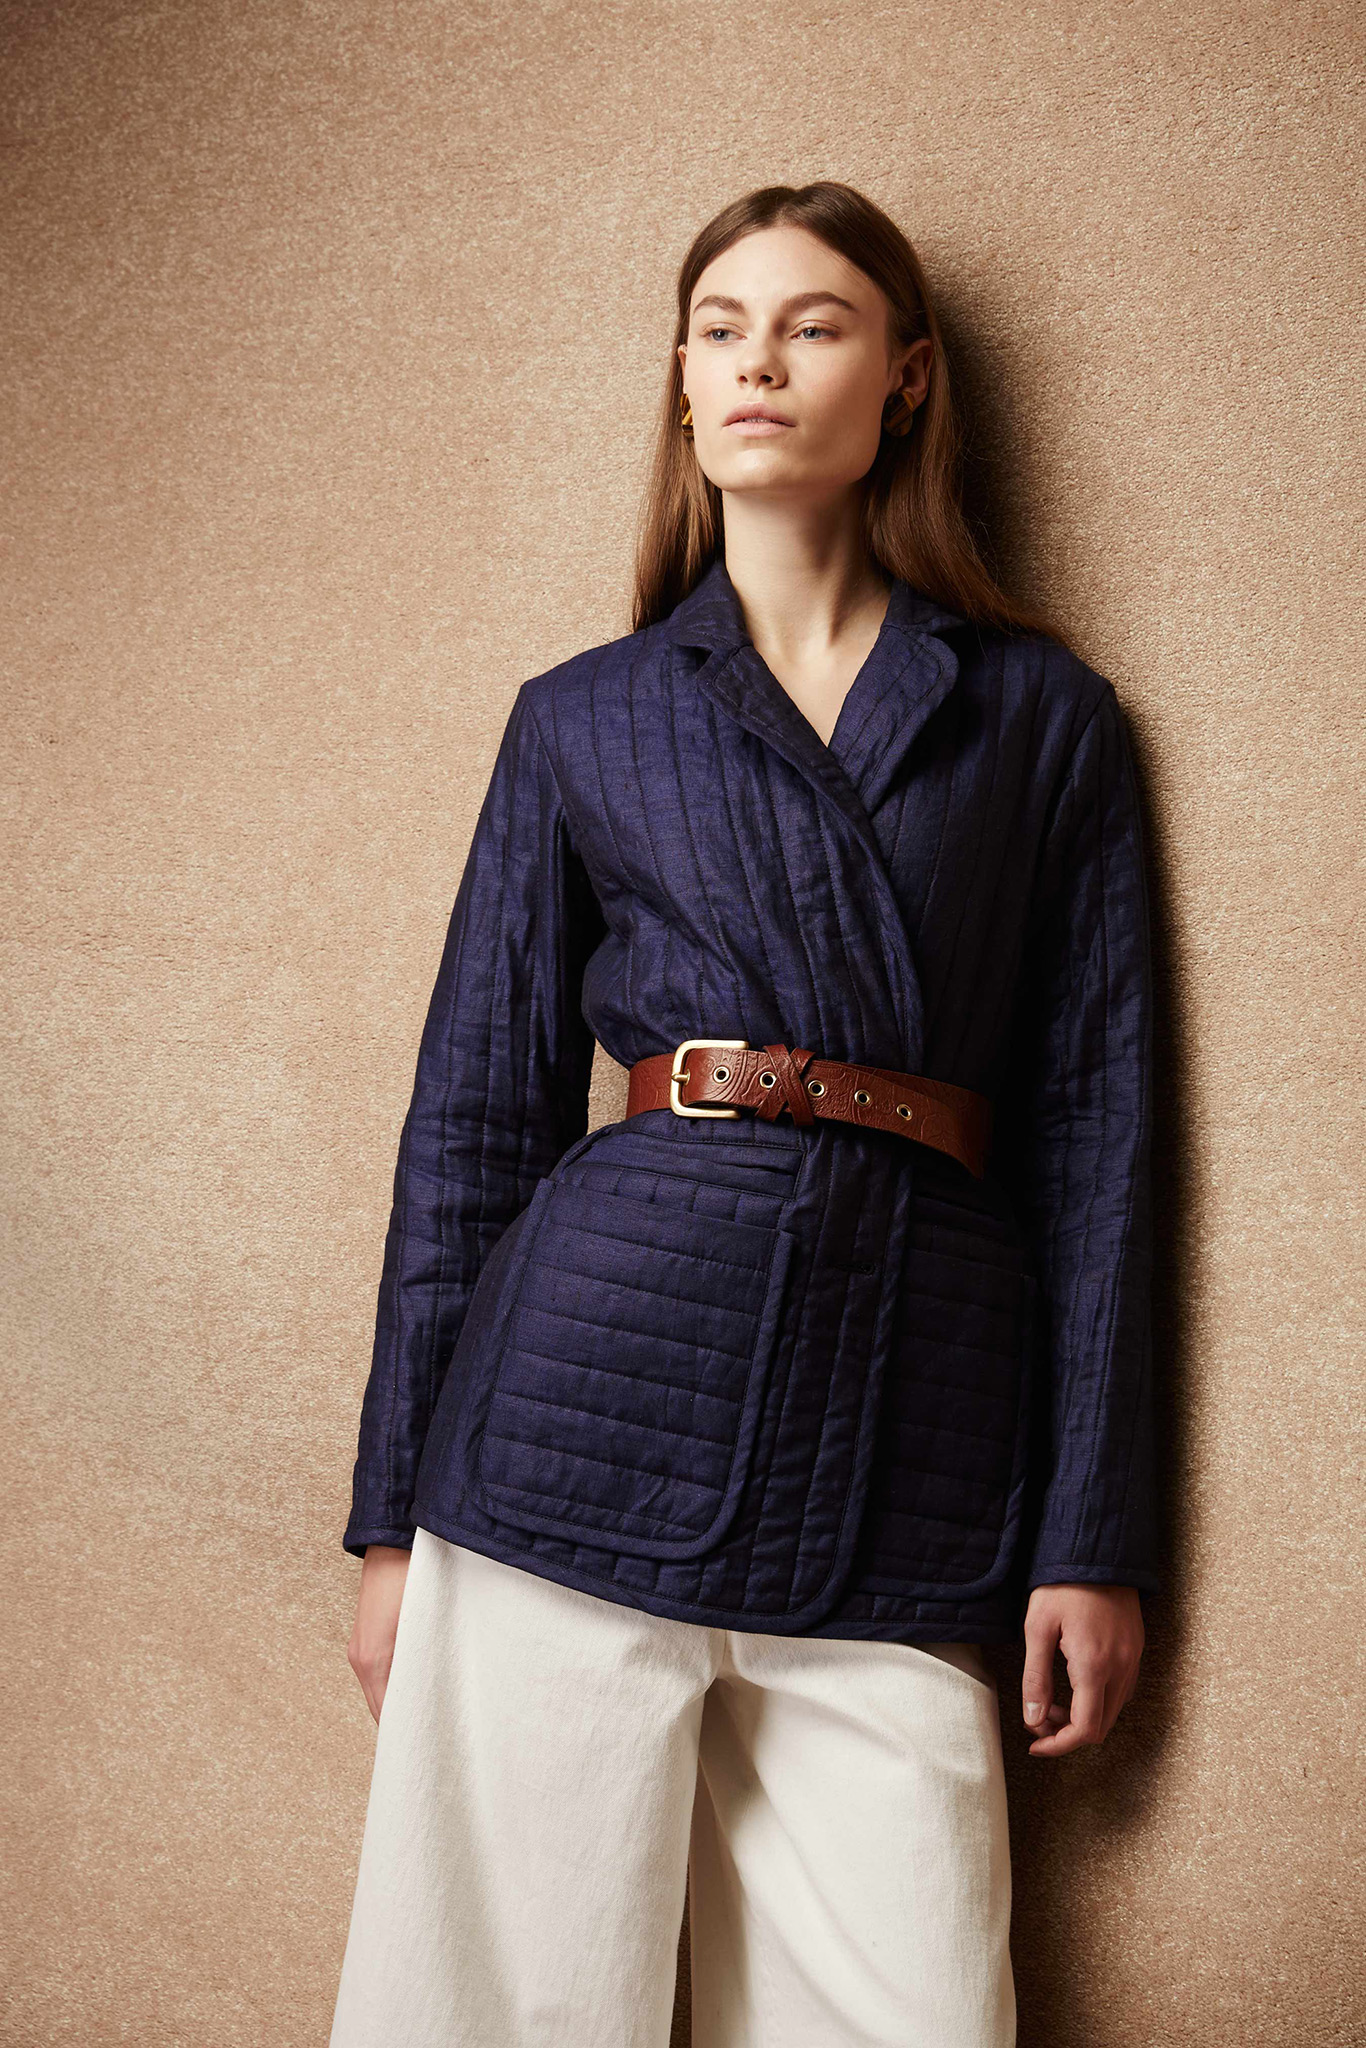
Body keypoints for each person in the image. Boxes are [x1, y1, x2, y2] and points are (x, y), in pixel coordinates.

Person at [328, 180, 1160, 2048]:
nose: (756, 364)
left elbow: (1102, 1146)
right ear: (682, 384)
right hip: (571, 1423)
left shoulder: (1041, 719)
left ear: (909, 378)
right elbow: (469, 1130)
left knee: (914, 2006)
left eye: (813, 324)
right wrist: (390, 1524)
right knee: (501, 2011)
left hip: (911, 1435)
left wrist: (1089, 1533)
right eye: (719, 330)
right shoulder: (583, 718)